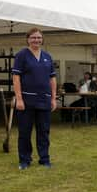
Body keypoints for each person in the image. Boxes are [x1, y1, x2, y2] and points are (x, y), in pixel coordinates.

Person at [12, 27, 57, 170]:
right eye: (33, 37)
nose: (36, 40)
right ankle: (24, 160)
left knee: (43, 131)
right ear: (28, 39)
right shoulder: (21, 55)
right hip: (27, 101)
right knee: (25, 132)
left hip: (44, 100)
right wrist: (19, 99)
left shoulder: (47, 57)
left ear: (42, 39)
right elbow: (16, 77)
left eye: (38, 37)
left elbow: (52, 79)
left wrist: (53, 98)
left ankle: (44, 159)